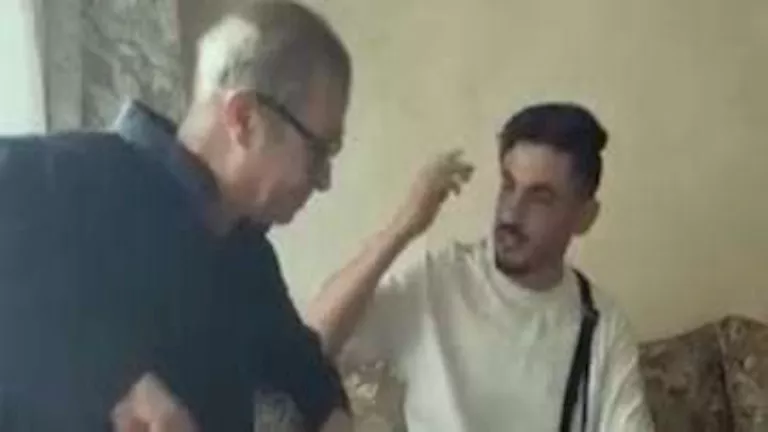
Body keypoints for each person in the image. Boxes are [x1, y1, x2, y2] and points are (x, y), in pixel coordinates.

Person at [0, 1, 354, 431]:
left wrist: (331, 411)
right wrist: (115, 381)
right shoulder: (59, 178)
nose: (324, 180)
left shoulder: (248, 257)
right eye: (318, 152)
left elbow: (304, 366)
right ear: (244, 120)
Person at [307, 103, 655, 431]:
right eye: (508, 185)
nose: (511, 213)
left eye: (540, 198)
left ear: (584, 217)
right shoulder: (438, 281)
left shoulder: (602, 325)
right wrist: (403, 227)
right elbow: (311, 343)